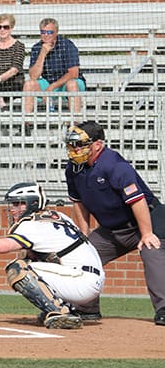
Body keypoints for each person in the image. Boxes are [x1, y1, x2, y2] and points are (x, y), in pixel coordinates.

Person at [0, 182, 104, 329]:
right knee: (30, 258)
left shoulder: (31, 224)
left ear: (32, 203)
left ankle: (60, 311)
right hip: (88, 279)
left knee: (18, 269)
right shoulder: (59, 216)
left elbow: (3, 246)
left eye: (17, 204)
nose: (13, 210)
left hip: (81, 282)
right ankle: (63, 307)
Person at [64, 120, 165, 326]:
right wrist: (84, 234)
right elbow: (79, 203)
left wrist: (146, 233)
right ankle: (86, 309)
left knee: (151, 252)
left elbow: (138, 201)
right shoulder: (73, 168)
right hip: (112, 228)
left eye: (80, 144)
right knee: (84, 256)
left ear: (97, 145)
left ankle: (163, 309)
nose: (75, 149)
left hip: (147, 220)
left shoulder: (115, 165)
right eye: (72, 144)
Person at [23, 18, 86, 133]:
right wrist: (43, 53)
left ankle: (76, 125)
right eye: (43, 32)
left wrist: (52, 87)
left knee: (72, 84)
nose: (46, 35)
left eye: (50, 32)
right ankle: (26, 125)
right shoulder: (37, 48)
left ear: (56, 32)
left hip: (68, 83)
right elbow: (33, 76)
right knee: (29, 84)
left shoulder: (67, 45)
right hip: (48, 82)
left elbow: (73, 73)